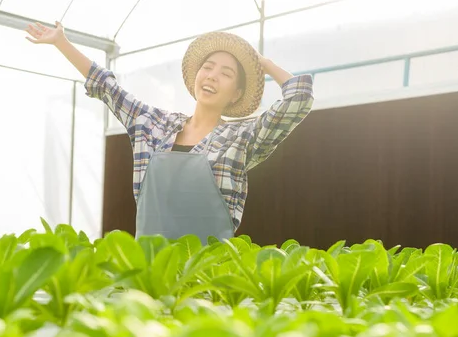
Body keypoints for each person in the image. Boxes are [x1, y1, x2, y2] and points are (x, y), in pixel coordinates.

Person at [25, 22, 314, 244]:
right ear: (197, 75)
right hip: (150, 272)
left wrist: (261, 64)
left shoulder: (242, 137)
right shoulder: (154, 125)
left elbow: (298, 100)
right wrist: (61, 43)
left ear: (236, 93)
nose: (212, 75)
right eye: (208, 67)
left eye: (226, 73)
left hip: (207, 279)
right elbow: (105, 85)